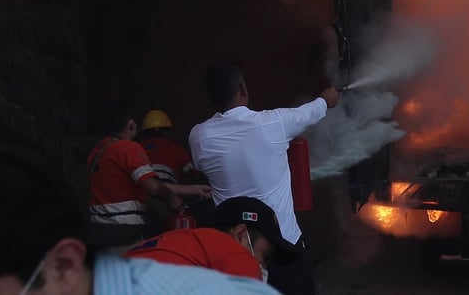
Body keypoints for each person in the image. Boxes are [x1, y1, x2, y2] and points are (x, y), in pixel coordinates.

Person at [0, 141, 280, 295]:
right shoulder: (132, 151)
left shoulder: (110, 152)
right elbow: (154, 187)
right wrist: (179, 194)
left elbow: (153, 185)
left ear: (62, 266)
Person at [189, 63, 339, 295]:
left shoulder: (199, 137)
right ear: (242, 89)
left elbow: (201, 164)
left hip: (233, 254)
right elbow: (308, 112)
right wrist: (325, 99)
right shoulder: (273, 123)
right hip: (283, 250)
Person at [88, 101, 211, 251]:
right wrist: (172, 198)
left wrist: (192, 189)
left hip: (98, 231)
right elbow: (153, 187)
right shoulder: (128, 148)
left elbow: (145, 184)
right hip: (123, 232)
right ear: (132, 125)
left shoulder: (97, 152)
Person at [126, 196, 298, 281]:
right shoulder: (233, 252)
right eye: (265, 257)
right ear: (240, 235)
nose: (263, 267)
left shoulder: (174, 242)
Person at [138, 109, 196, 184]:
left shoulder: (137, 148)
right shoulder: (175, 148)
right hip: (169, 189)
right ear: (163, 131)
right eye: (169, 131)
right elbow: (191, 172)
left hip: (142, 189)